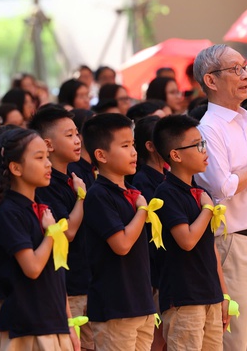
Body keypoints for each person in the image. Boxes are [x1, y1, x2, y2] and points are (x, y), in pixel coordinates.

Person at [192, 44, 247, 350]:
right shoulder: (208, 128)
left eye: (245, 68)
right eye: (235, 70)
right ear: (210, 81)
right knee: (235, 340)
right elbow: (220, 187)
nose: (244, 76)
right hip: (235, 242)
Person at [0, 128, 79, 350]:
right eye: (39, 158)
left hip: (51, 321)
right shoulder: (9, 211)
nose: (48, 164)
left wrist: (67, 324)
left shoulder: (40, 208)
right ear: (15, 167)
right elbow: (32, 267)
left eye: (47, 157)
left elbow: (55, 274)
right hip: (26, 326)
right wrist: (50, 234)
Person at [152, 114, 230, 349]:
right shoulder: (166, 193)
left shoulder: (197, 191)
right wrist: (208, 210)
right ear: (175, 155)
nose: (204, 150)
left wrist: (223, 294)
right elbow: (186, 240)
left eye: (203, 143)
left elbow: (211, 249)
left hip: (210, 295)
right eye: (198, 145)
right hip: (184, 299)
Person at [80, 114, 155, 350]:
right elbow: (121, 244)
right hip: (116, 306)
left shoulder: (131, 191)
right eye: (125, 146)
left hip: (141, 302)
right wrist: (142, 211)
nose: (133, 152)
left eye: (133, 144)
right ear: (101, 155)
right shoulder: (98, 194)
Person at [29, 106, 90, 349]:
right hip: (68, 287)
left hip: (87, 282)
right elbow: (68, 232)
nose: (77, 140)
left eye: (77, 134)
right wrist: (82, 197)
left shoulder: (72, 177)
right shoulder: (46, 184)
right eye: (69, 135)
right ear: (48, 144)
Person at [131, 115, 167, 351]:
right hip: (155, 274)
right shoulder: (142, 180)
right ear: (150, 146)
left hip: (167, 273)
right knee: (156, 340)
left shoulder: (168, 177)